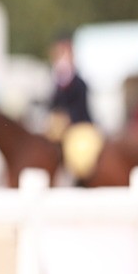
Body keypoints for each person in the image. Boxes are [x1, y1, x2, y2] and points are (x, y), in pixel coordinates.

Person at [46, 31, 102, 181]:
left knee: (81, 158)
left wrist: (67, 119)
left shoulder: (77, 81)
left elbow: (79, 107)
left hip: (80, 127)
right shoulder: (56, 79)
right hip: (61, 130)